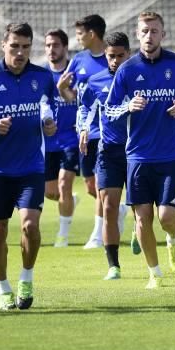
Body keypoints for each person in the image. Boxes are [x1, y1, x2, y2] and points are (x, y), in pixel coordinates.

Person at [0, 22, 57, 310]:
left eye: (25, 47)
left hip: (31, 167)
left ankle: (26, 278)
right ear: (4, 45)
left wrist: (50, 124)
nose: (20, 52)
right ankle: (3, 288)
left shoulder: (42, 77)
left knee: (30, 226)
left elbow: (48, 106)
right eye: (14, 46)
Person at [104, 12, 175, 289]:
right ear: (138, 33)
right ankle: (154, 274)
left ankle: (173, 238)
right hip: (138, 157)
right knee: (142, 218)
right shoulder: (127, 69)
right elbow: (110, 109)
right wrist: (127, 107)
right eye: (144, 31)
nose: (149, 36)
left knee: (167, 217)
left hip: (170, 155)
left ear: (163, 34)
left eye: (154, 31)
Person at [77, 32, 131, 280]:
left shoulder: (139, 78)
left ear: (128, 54)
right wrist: (84, 129)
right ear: (106, 56)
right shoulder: (96, 82)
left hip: (138, 152)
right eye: (111, 56)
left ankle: (139, 233)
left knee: (143, 209)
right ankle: (114, 265)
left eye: (120, 55)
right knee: (109, 206)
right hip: (108, 151)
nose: (116, 60)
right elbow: (85, 108)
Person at [57, 14, 109, 249]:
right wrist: (61, 89)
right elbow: (74, 98)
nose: (76, 39)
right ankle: (113, 208)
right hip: (85, 132)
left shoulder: (113, 57)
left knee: (100, 184)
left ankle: (98, 234)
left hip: (108, 132)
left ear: (91, 34)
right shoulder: (78, 61)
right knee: (90, 185)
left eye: (79, 34)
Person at [43, 29, 80, 247]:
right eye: (48, 45)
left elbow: (79, 99)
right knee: (50, 192)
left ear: (65, 48)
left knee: (65, 184)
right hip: (48, 142)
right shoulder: (40, 76)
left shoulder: (74, 73)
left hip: (71, 139)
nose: (51, 49)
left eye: (55, 45)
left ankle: (63, 236)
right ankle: (70, 203)